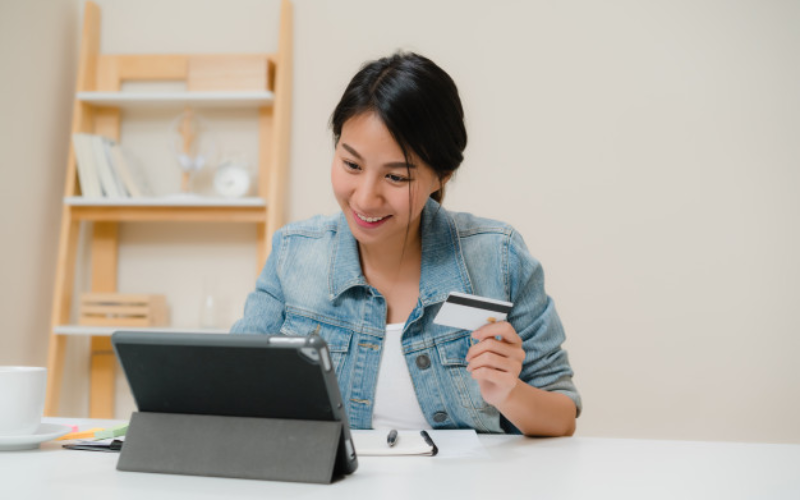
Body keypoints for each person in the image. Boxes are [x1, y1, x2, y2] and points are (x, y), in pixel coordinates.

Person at [231, 52, 581, 436]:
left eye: (396, 177)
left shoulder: (497, 257)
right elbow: (231, 385)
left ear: (442, 176)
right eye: (351, 165)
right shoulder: (293, 254)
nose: (366, 198)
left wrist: (508, 393)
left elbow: (562, 416)